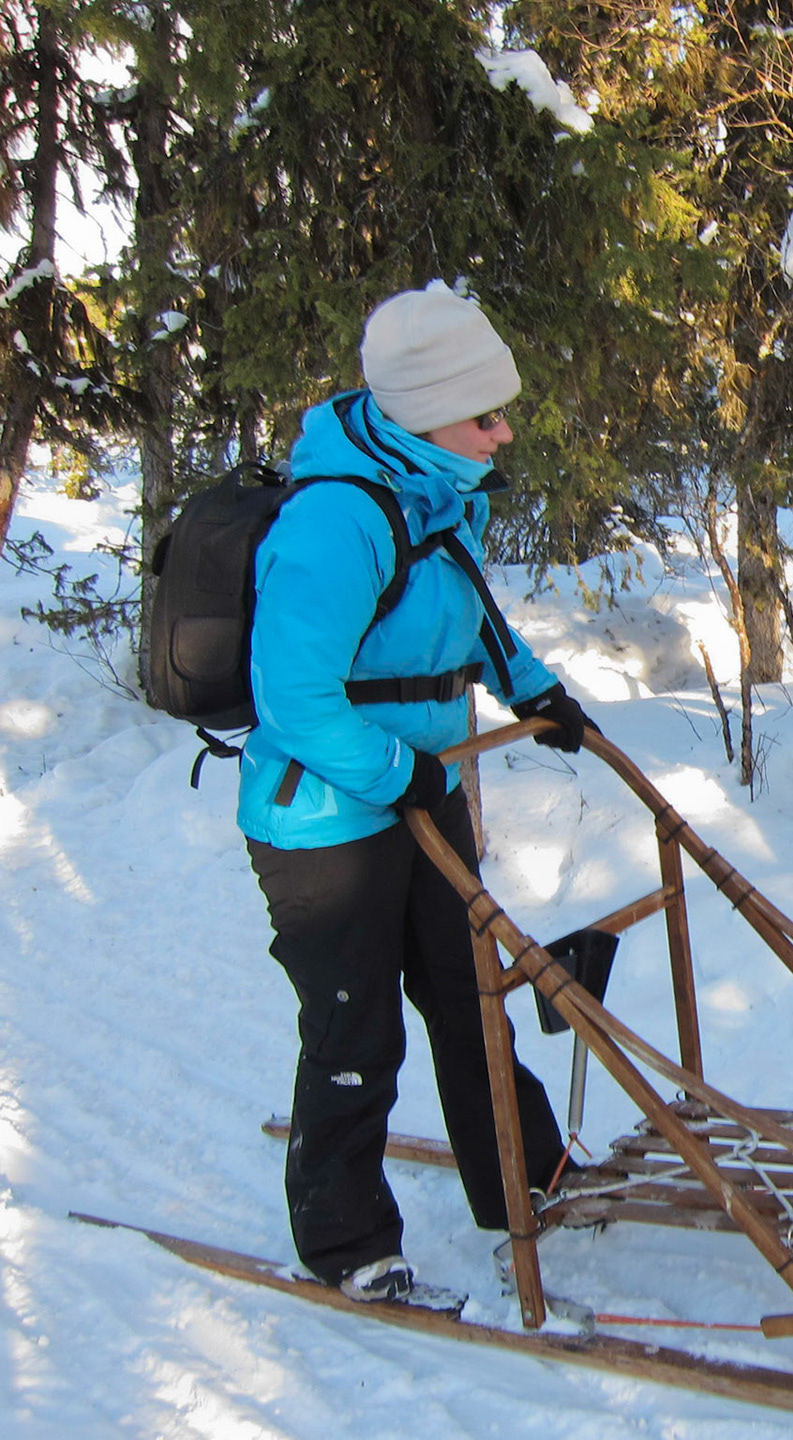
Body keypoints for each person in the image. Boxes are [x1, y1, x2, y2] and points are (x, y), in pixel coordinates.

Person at [241, 285, 598, 1302]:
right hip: (325, 820)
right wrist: (405, 775)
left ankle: (526, 1172)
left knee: (469, 990)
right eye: (485, 415)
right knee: (356, 1032)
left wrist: (534, 687)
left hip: (418, 790)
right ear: (427, 413)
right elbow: (294, 698)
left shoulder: (432, 491)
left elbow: (469, 613)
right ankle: (346, 1243)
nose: (503, 432)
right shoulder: (335, 520)